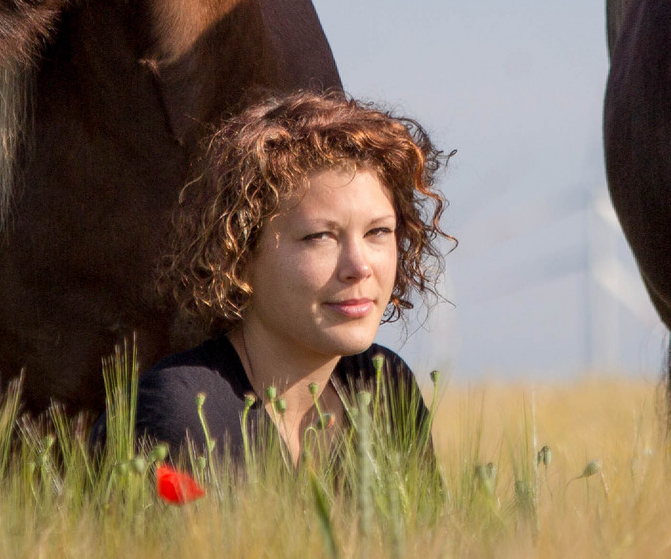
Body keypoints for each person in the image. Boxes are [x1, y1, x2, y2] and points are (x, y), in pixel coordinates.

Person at [135, 91, 447, 469]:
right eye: (320, 237)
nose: (359, 266)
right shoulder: (182, 413)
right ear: (240, 254)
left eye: (377, 232)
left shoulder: (385, 387)